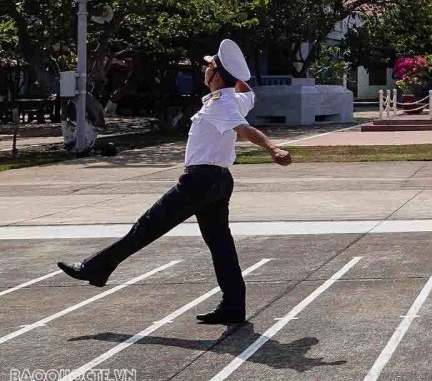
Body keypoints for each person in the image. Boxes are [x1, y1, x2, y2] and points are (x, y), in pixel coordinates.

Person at [57, 40, 292, 325]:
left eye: (210, 67)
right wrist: (234, 75)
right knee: (220, 244)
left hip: (200, 181)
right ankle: (233, 305)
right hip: (217, 181)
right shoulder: (234, 99)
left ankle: (95, 268)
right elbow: (248, 93)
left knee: (146, 226)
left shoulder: (222, 104)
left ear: (216, 76)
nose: (205, 70)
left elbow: (245, 129)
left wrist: (272, 148)